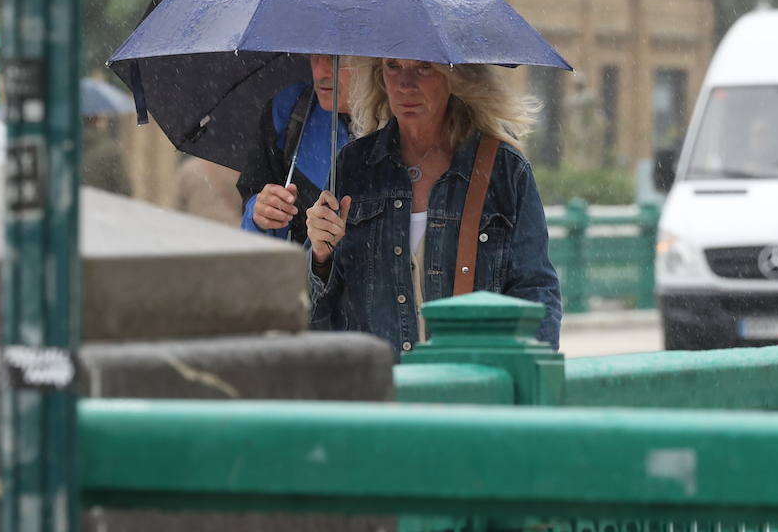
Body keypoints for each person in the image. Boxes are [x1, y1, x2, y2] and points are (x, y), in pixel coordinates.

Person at [305, 57, 561, 356]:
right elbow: (316, 318)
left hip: (469, 388)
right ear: (379, 75)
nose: (405, 84)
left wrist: (521, 384)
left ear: (456, 76)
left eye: (424, 67)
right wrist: (320, 257)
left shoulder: (504, 171)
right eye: (393, 66)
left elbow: (536, 293)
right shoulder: (354, 167)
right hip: (379, 392)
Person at [236, 54, 355, 243]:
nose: (319, 72)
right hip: (299, 269)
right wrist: (261, 215)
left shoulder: (405, 119)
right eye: (314, 56)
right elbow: (253, 197)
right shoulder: (288, 110)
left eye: (335, 59)